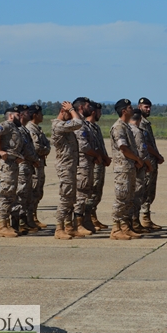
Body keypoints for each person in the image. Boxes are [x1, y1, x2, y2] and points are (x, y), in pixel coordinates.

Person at [110, 99, 145, 240]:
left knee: (129, 199)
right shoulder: (118, 127)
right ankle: (115, 228)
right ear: (124, 110)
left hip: (129, 168)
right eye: (130, 107)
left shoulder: (126, 127)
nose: (133, 109)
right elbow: (123, 148)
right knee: (121, 199)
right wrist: (137, 159)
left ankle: (125, 227)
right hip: (123, 169)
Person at [51, 100, 83, 240]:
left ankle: (69, 227)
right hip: (65, 167)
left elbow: (78, 121)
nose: (71, 117)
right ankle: (59, 228)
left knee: (71, 198)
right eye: (69, 114)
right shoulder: (58, 125)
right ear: (63, 112)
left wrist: (72, 112)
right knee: (66, 197)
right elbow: (78, 123)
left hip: (70, 166)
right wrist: (71, 109)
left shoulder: (65, 126)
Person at [0, 107, 25, 238]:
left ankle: (6, 224)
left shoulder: (15, 128)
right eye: (18, 114)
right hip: (6, 165)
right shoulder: (7, 125)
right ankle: (2, 226)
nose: (20, 116)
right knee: (6, 194)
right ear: (11, 116)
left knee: (11, 194)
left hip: (12, 164)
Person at [74, 97, 101, 235]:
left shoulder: (85, 124)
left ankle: (84, 221)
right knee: (81, 194)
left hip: (88, 164)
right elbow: (83, 146)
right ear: (80, 108)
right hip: (81, 164)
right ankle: (77, 224)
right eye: (87, 105)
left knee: (86, 193)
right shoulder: (78, 125)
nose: (90, 108)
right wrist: (96, 155)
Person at [138, 97, 164, 230]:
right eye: (145, 107)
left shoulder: (146, 123)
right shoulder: (140, 123)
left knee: (150, 190)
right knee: (144, 190)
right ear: (139, 107)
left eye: (149, 107)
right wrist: (157, 155)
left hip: (152, 161)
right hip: (146, 162)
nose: (148, 109)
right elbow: (145, 144)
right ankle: (141, 218)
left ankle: (146, 218)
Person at [16, 105, 41, 235]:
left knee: (27, 195)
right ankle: (20, 222)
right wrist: (34, 158)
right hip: (23, 166)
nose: (28, 114)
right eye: (25, 112)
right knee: (21, 194)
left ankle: (26, 221)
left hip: (29, 166)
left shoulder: (24, 130)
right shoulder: (18, 130)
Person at [86, 102, 110, 230]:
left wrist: (105, 158)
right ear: (94, 112)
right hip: (93, 164)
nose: (101, 114)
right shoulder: (87, 127)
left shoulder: (96, 127)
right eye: (100, 112)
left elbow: (100, 146)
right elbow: (91, 147)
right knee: (92, 192)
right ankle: (87, 219)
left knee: (97, 192)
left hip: (100, 164)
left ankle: (93, 217)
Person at [128, 109, 153, 234]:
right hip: (139, 167)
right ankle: (134, 222)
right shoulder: (137, 131)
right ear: (139, 120)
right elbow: (142, 151)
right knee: (137, 195)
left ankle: (133, 222)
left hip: (131, 166)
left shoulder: (127, 129)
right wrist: (148, 164)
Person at [26, 104, 50, 229]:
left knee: (38, 192)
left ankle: (33, 217)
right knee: (33, 192)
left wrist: (46, 148)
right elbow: (38, 148)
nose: (43, 116)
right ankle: (30, 218)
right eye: (41, 113)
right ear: (35, 115)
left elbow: (46, 144)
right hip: (34, 164)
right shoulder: (31, 129)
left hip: (39, 164)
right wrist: (46, 149)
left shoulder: (37, 128)